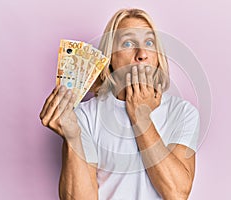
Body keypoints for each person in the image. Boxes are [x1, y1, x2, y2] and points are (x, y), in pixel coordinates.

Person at [40, 8, 200, 200]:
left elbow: (176, 193)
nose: (141, 54)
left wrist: (140, 117)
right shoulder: (84, 117)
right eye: (128, 43)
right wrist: (73, 138)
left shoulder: (183, 113)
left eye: (149, 43)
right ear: (109, 60)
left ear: (158, 57)